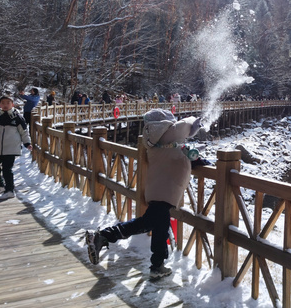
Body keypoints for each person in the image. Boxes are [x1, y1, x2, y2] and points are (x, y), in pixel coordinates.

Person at [85, 110, 203, 279]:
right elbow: (187, 124)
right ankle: (105, 236)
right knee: (154, 224)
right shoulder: (170, 133)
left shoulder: (155, 138)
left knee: (155, 224)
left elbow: (174, 150)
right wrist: (196, 122)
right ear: (165, 121)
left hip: (159, 187)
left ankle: (156, 265)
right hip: (167, 188)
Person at [0, 95, 32, 200]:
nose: (5, 105)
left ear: (12, 104)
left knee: (7, 169)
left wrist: (27, 143)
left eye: (8, 103)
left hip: (11, 148)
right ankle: (0, 185)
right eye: (3, 103)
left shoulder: (17, 117)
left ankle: (9, 190)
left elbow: (24, 132)